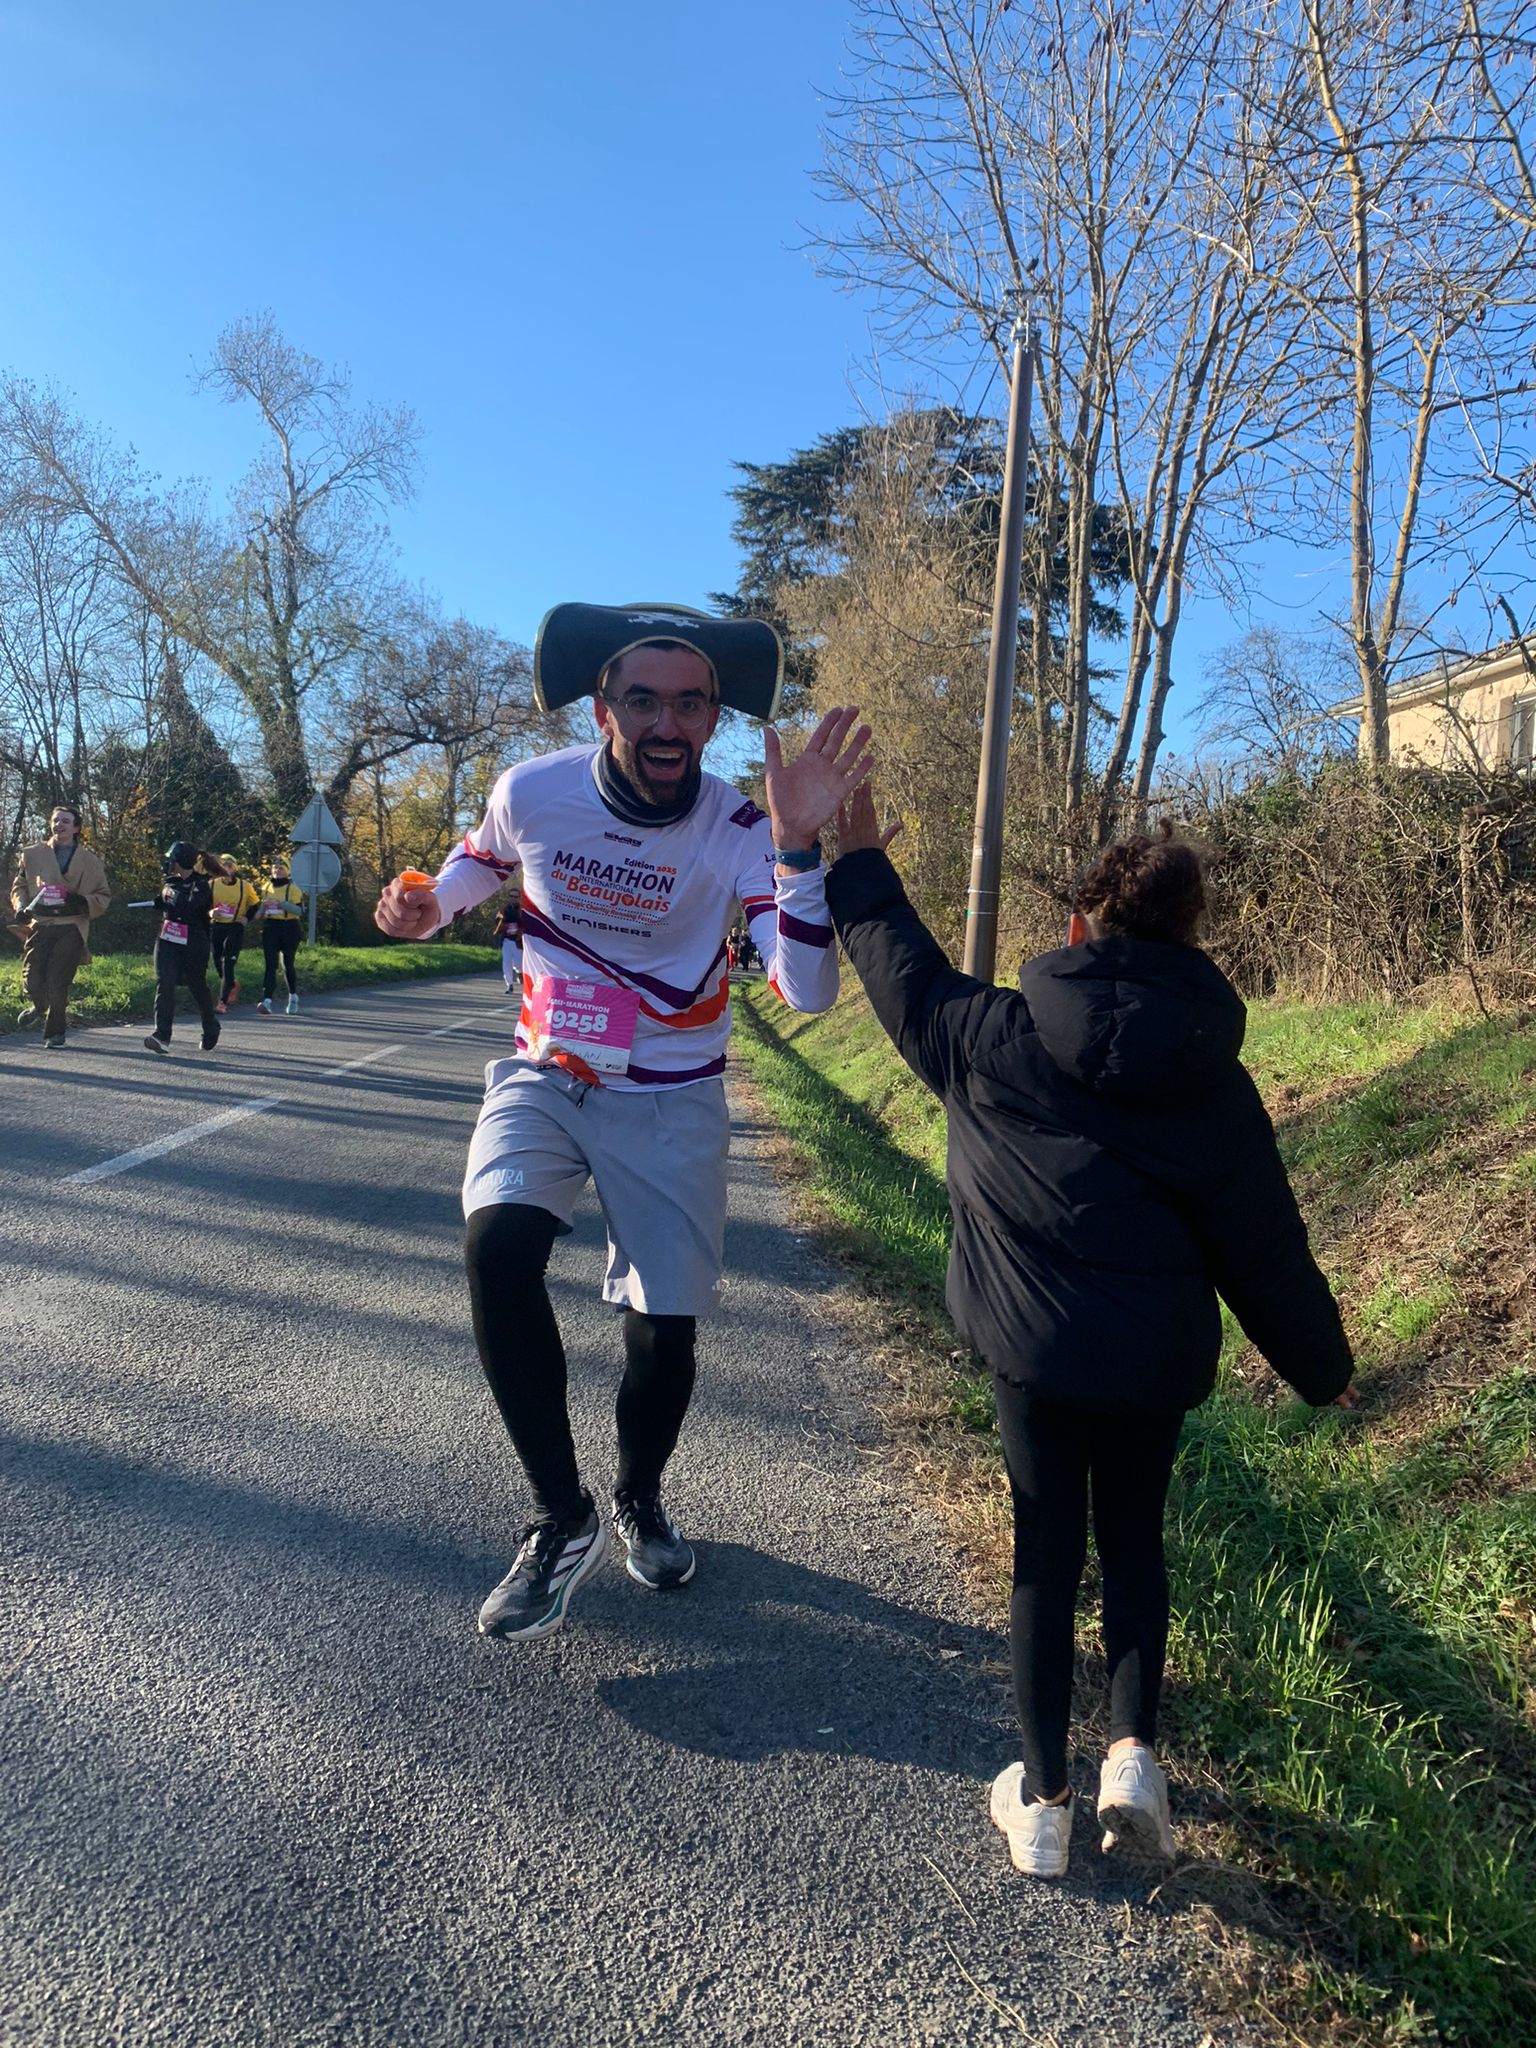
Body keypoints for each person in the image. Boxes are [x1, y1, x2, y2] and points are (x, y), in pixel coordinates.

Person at [821, 786, 1357, 1879]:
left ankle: (1046, 1805)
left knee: (1043, 1553)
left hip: (1033, 1352)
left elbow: (898, 966)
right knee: (1137, 1542)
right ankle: (1131, 1758)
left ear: (1076, 926)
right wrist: (1322, 1366)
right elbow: (1263, 1244)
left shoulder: (991, 1038)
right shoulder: (1218, 1081)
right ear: (1188, 935)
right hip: (1152, 1359)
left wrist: (861, 848)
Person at [374, 600, 871, 1642]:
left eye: (691, 704)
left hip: (674, 1093)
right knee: (494, 1242)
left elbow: (809, 991)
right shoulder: (533, 789)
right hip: (546, 1067)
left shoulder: (739, 826)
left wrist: (799, 847)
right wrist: (432, 902)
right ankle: (561, 1517)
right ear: (604, 709)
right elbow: (480, 856)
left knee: (665, 1335)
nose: (667, 721)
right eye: (643, 698)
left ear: (710, 721)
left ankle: (640, 1493)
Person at [10, 804, 112, 1050]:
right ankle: (39, 1005)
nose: (59, 825)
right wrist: (21, 906)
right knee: (32, 978)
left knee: (58, 980)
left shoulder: (90, 861)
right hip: (42, 923)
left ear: (76, 828)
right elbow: (20, 886)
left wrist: (81, 901)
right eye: (56, 820)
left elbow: (103, 895)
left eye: (65, 821)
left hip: (71, 924)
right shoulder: (32, 853)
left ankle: (55, 1033)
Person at [143, 843, 220, 1057]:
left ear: (182, 860)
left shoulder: (201, 886)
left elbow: (189, 907)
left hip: (193, 940)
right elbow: (169, 903)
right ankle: (162, 1035)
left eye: (172, 859)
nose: (168, 863)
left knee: (197, 985)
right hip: (168, 938)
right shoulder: (169, 882)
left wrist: (171, 902)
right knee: (164, 982)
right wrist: (161, 902)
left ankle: (210, 1024)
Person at [254, 859, 305, 1015]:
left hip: (289, 927)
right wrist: (259, 912)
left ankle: (293, 997)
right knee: (270, 964)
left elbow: (299, 911)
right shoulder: (266, 887)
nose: (277, 871)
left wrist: (284, 904)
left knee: (287, 964)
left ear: (287, 871)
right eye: (275, 868)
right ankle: (267, 1000)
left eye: (281, 868)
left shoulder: (293, 888)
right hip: (271, 927)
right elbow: (262, 908)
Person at [210, 854, 259, 1014]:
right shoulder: (211, 885)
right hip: (217, 927)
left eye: (230, 865)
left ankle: (222, 1002)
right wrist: (210, 913)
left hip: (235, 927)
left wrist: (246, 918)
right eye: (223, 865)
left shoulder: (245, 886)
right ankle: (232, 984)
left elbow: (256, 904)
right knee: (217, 959)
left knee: (228, 963)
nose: (226, 868)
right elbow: (201, 904)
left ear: (235, 868)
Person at [497, 899, 523, 996]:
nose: (513, 898)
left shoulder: (522, 910)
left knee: (518, 963)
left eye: (515, 896)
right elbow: (497, 921)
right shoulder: (504, 909)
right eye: (511, 896)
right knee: (506, 963)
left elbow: (525, 924)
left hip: (517, 941)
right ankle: (509, 985)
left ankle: (519, 972)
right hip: (507, 940)